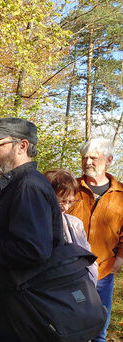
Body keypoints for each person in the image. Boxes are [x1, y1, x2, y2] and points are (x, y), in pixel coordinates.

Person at [0, 117, 62, 342]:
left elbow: (34, 251)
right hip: (14, 311)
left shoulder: (29, 187)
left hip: (23, 316)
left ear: (22, 146)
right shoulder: (19, 184)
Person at [67, 137, 123, 342]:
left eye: (94, 158)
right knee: (70, 327)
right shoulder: (70, 188)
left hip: (103, 272)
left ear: (109, 160)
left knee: (100, 329)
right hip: (70, 272)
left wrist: (119, 260)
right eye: (85, 157)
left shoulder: (121, 194)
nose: (88, 162)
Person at [43, 169, 97, 285]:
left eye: (71, 202)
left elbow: (88, 261)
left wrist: (90, 286)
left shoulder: (75, 224)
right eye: (61, 202)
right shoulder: (33, 223)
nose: (66, 208)